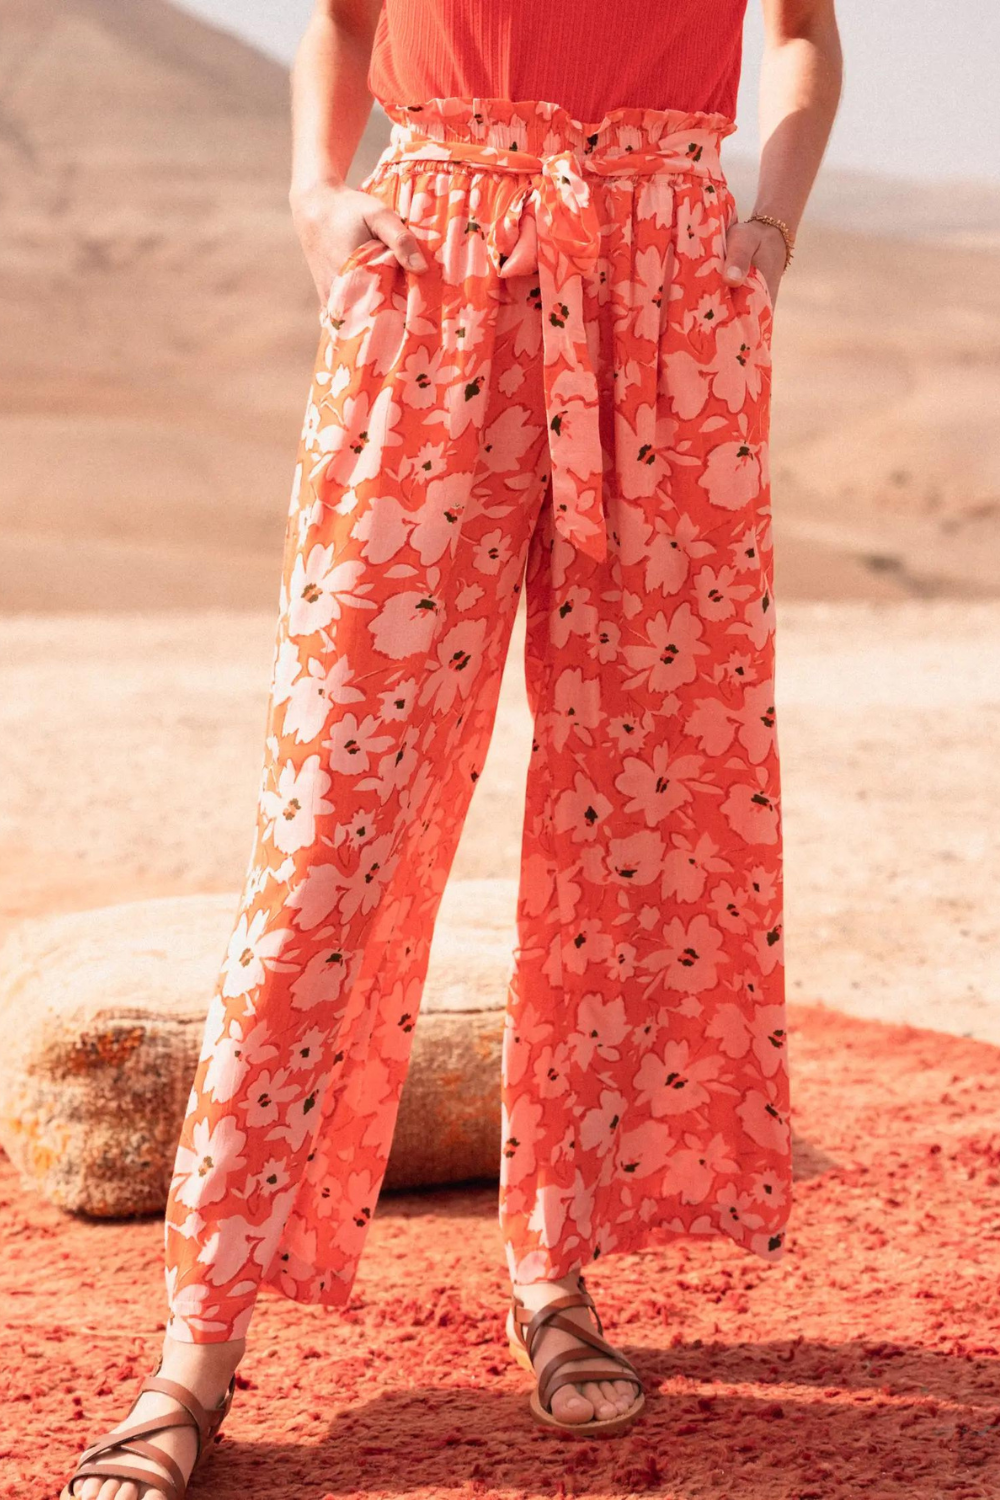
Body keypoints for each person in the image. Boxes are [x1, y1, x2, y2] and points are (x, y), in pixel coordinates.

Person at [63, 0, 843, 1492]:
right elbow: (346, 22)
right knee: (338, 800)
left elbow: (803, 30)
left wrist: (769, 234)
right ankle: (197, 1341)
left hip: (670, 284)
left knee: (645, 798)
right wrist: (315, 192)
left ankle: (558, 1273)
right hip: (439, 265)